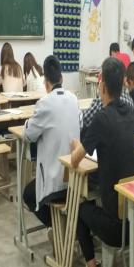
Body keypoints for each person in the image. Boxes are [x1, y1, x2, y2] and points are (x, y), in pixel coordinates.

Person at [70, 57, 134, 267]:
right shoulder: (129, 113)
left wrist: (76, 145)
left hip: (116, 228)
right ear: (124, 83)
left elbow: (75, 160)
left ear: (102, 86)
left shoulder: (101, 118)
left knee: (79, 210)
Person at [23, 56, 80, 228]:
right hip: (74, 180)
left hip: (55, 183)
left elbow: (28, 135)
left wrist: (27, 123)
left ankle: (56, 227)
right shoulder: (74, 99)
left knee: (28, 195)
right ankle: (61, 225)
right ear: (61, 78)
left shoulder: (44, 103)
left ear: (46, 82)